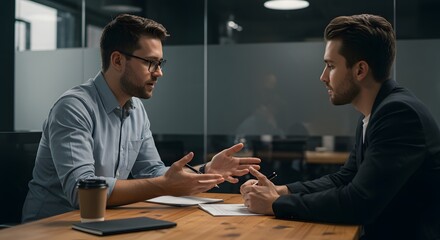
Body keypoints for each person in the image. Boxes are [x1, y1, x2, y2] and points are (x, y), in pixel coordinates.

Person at [22, 14, 260, 222]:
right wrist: (165, 185)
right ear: (117, 60)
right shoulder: (74, 107)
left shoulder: (135, 110)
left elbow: (153, 173)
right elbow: (82, 192)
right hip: (51, 227)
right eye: (150, 63)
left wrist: (206, 170)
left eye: (160, 63)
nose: (159, 73)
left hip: (103, 222)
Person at [240, 14, 440, 240]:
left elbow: (359, 202)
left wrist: (276, 204)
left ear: (360, 70)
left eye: (331, 66)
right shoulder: (375, 112)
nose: (323, 77)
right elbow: (344, 178)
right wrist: (281, 190)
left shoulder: (399, 115)